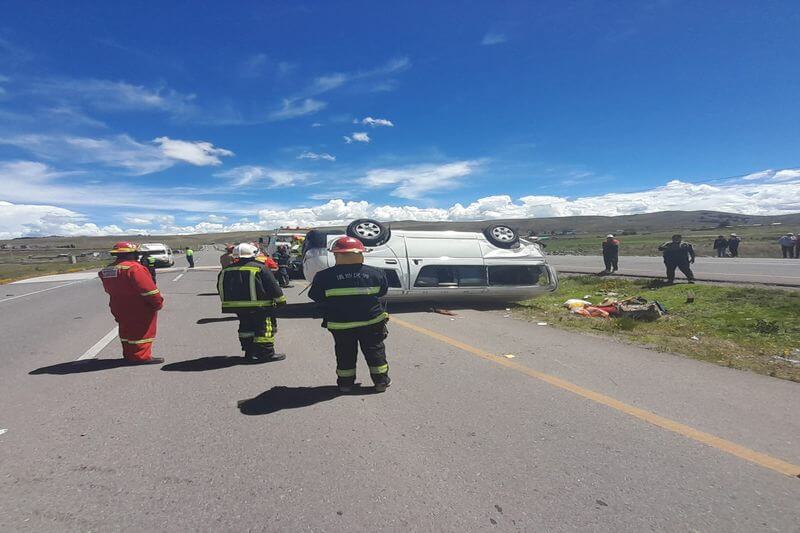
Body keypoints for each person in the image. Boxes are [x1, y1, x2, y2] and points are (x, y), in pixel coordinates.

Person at [308, 236, 391, 393]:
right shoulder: (376, 273)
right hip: (372, 322)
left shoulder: (324, 276)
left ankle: (345, 384)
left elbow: (315, 296)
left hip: (340, 324)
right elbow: (382, 291)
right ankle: (381, 382)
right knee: (375, 351)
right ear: (361, 253)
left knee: (344, 352)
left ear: (336, 255)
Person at [218, 243, 286, 363]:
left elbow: (220, 287)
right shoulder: (259, 268)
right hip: (260, 306)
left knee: (245, 328)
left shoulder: (227, 270)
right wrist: (281, 301)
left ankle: (249, 352)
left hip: (237, 307)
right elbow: (272, 286)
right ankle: (266, 354)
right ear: (254, 254)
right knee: (264, 329)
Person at [98, 242, 164, 364]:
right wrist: (157, 303)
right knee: (142, 331)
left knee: (126, 330)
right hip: (138, 306)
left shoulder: (107, 269)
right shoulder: (135, 268)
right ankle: (140, 357)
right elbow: (149, 290)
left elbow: (108, 288)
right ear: (133, 254)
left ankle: (129, 354)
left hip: (117, 305)